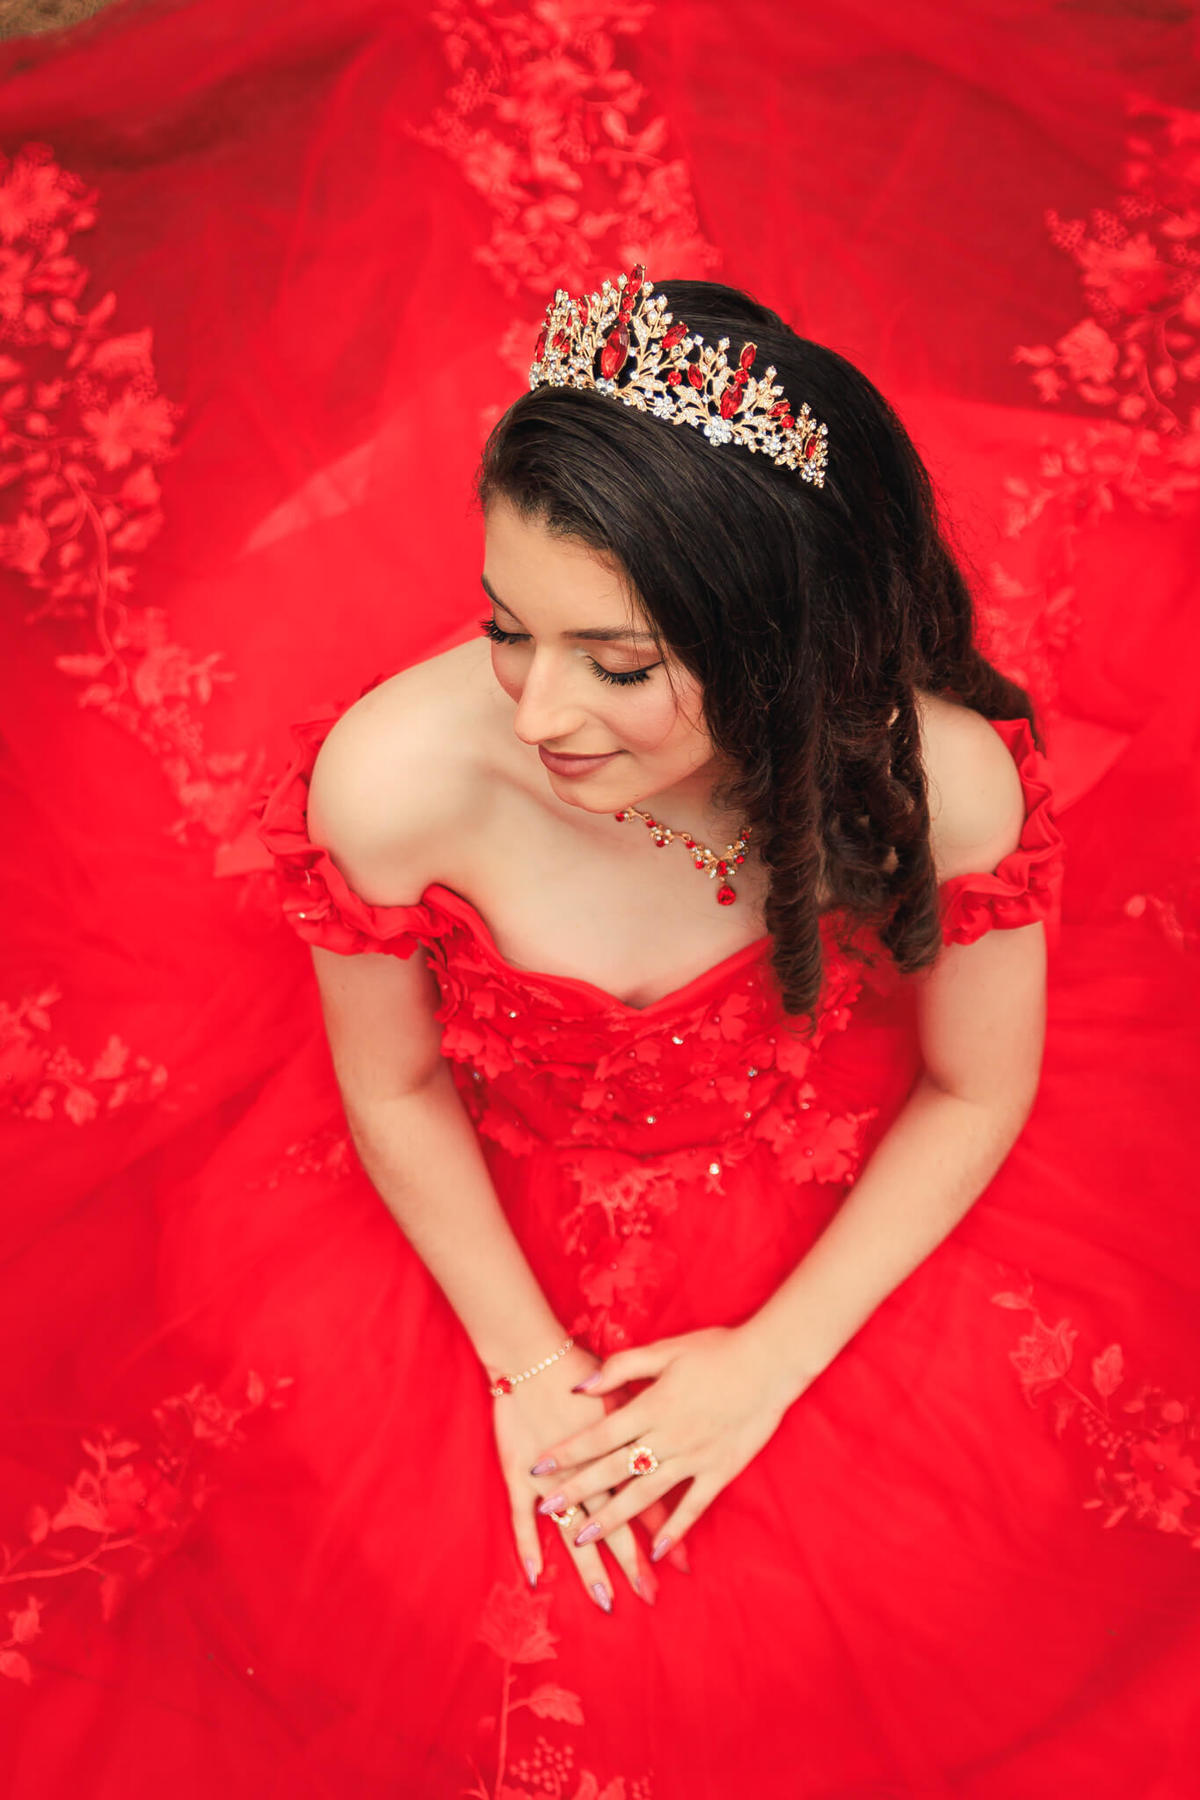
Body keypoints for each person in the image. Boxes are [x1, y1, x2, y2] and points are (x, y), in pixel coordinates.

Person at [3, 5, 1199, 1795]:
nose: (539, 715)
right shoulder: (399, 779)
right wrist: (529, 1371)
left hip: (814, 1205)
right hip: (482, 1222)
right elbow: (395, 1084)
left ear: (780, 649)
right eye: (506, 629)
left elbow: (975, 1082)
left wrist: (769, 1367)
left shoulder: (934, 778)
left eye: (616, 664)